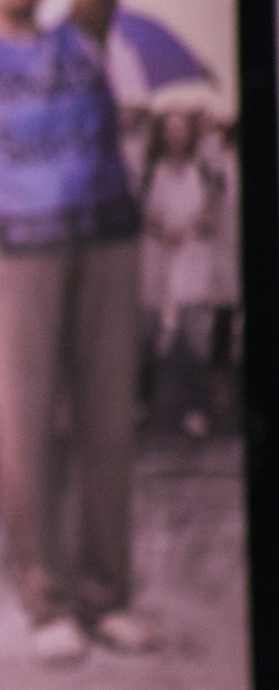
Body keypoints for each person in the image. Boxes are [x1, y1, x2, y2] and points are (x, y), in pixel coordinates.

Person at [0, 0, 152, 663]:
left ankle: (106, 593)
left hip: (102, 233)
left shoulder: (77, 33)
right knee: (22, 426)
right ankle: (45, 599)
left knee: (107, 423)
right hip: (14, 247)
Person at [139, 104, 228, 439]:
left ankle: (195, 408)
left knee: (193, 338)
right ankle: (154, 405)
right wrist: (163, 229)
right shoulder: (153, 171)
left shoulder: (201, 170)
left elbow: (213, 216)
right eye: (169, 128)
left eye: (180, 128)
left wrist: (197, 223)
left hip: (194, 267)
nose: (174, 135)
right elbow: (144, 213)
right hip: (160, 266)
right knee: (156, 337)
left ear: (188, 133)